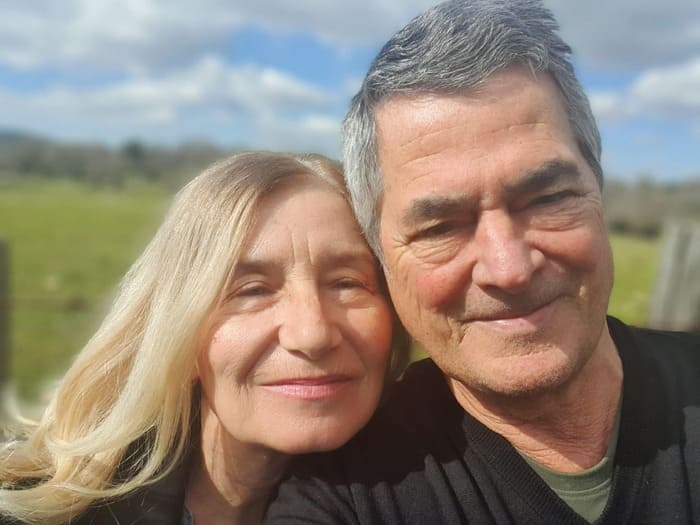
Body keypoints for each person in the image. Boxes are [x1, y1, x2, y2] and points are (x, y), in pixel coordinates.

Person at [265, 1, 700, 523]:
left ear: (598, 193)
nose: (509, 269)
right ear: (382, 260)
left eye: (547, 199)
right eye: (439, 228)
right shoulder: (343, 495)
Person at [0, 151, 408, 525]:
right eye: (251, 291)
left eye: (347, 283)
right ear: (178, 333)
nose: (312, 333)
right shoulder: (35, 508)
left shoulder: (422, 493)